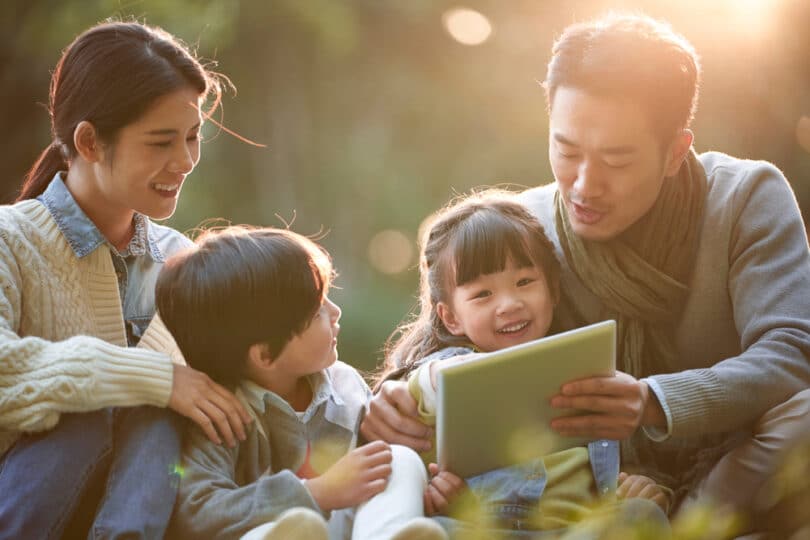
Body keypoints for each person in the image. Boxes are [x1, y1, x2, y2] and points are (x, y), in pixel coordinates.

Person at [362, 13, 810, 536]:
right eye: (566, 151)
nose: (584, 186)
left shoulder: (745, 198)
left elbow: (791, 351)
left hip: (725, 467)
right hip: (576, 486)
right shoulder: (527, 225)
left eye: (616, 160)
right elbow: (438, 341)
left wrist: (652, 402)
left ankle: (683, 521)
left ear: (675, 152)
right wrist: (390, 399)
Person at [0, 21, 252, 539]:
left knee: (169, 425)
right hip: (28, 507)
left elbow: (258, 371)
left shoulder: (184, 261)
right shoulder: (10, 240)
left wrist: (372, 406)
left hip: (151, 513)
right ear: (89, 141)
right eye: (161, 142)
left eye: (191, 137)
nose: (184, 162)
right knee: (90, 409)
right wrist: (158, 380)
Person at [373, 190, 670, 538]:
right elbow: (420, 391)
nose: (509, 304)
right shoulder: (447, 370)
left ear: (553, 291)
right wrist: (451, 498)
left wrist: (642, 486)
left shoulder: (583, 361)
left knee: (642, 513)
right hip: (491, 529)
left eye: (525, 282)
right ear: (451, 317)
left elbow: (621, 459)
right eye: (483, 294)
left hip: (578, 531)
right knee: (438, 529)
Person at [157, 226, 448, 540]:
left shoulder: (345, 384)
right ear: (265, 354)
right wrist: (315, 493)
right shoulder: (220, 416)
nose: (335, 313)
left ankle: (390, 535)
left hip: (349, 531)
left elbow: (374, 475)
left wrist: (430, 484)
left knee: (395, 460)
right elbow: (198, 512)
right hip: (282, 532)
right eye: (316, 312)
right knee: (279, 532)